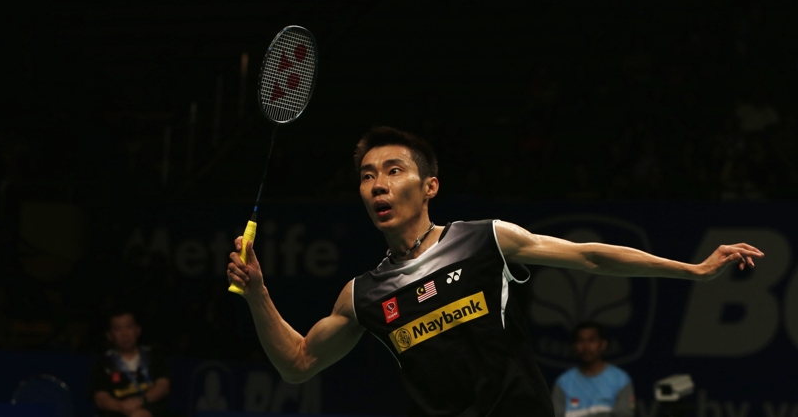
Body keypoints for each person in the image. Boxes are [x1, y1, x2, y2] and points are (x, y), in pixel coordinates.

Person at [226, 126, 763, 417]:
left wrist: (692, 271)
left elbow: (589, 256)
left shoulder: (484, 240)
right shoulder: (363, 294)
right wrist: (257, 293)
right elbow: (299, 363)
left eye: (393, 170)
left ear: (429, 186)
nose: (378, 185)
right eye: (367, 176)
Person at [89, 309, 171, 417]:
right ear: (109, 335)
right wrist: (123, 407)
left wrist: (141, 401)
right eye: (118, 329)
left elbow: (163, 387)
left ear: (138, 330)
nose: (124, 334)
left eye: (129, 327)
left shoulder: (153, 356)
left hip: (152, 410)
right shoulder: (103, 363)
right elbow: (101, 399)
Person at [552, 322, 634, 417]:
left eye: (592, 340)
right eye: (581, 341)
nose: (586, 347)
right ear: (574, 346)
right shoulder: (563, 382)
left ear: (603, 344)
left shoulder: (620, 379)